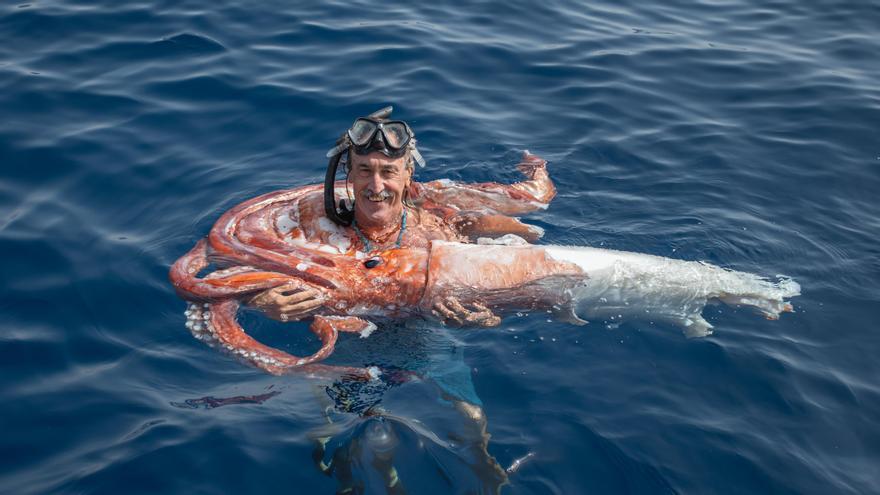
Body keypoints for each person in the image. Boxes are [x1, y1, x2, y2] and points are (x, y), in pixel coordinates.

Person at [248, 106, 556, 328]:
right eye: (365, 170)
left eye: (389, 172)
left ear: (407, 176)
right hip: (339, 338)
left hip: (421, 332)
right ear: (350, 175)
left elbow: (514, 294)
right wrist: (260, 303)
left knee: (471, 417)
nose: (376, 186)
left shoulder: (439, 232)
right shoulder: (310, 217)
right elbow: (232, 275)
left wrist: (486, 320)